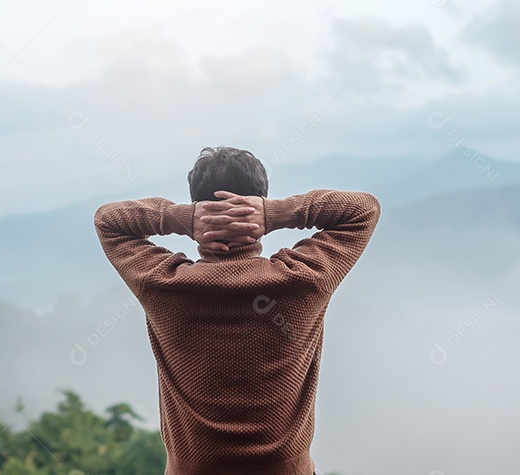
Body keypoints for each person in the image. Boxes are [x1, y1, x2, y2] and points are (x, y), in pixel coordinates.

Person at [93, 146, 380, 474]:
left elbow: (108, 220)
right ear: (258, 200)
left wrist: (182, 218)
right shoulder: (302, 281)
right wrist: (276, 213)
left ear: (198, 205)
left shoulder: (164, 285)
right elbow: (363, 209)